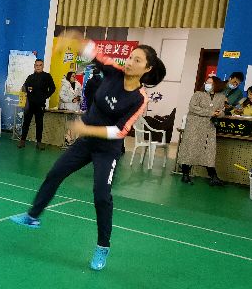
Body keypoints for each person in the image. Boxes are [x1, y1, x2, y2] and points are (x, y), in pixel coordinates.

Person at [10, 36, 166, 271]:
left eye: (137, 60)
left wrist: (85, 129)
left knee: (101, 195)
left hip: (107, 150)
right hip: (85, 143)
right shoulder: (113, 71)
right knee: (55, 173)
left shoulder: (139, 98)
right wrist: (73, 39)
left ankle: (103, 246)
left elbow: (120, 131)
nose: (130, 62)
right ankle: (33, 216)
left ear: (147, 68)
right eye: (130, 57)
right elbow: (94, 52)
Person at [176, 73, 227, 186]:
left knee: (209, 152)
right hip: (194, 127)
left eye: (210, 83)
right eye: (206, 82)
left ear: (216, 85)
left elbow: (222, 112)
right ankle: (185, 175)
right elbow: (192, 107)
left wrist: (219, 113)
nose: (207, 84)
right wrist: (210, 112)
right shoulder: (198, 94)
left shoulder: (221, 97)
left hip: (209, 128)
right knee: (189, 149)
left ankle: (213, 177)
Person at [18, 58, 56, 150]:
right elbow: (25, 87)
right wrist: (26, 90)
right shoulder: (30, 77)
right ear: (34, 66)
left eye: (40, 65)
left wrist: (45, 96)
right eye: (36, 65)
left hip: (40, 105)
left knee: (39, 124)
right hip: (30, 104)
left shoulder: (47, 76)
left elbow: (53, 88)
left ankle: (39, 143)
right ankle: (22, 141)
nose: (38, 67)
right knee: (26, 123)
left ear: (43, 66)